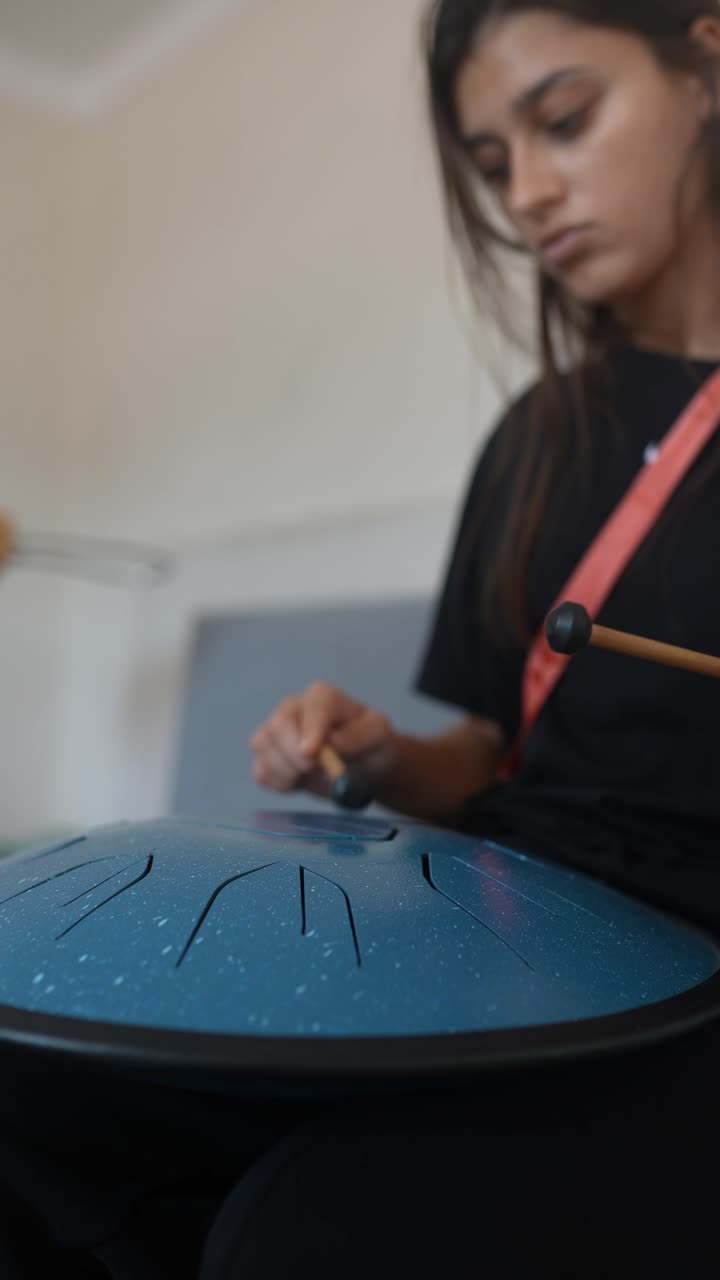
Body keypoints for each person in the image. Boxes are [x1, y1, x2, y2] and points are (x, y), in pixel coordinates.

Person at [3, 2, 720, 1276]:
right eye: (494, 162)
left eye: (564, 120)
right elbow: (493, 751)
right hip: (507, 915)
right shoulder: (539, 435)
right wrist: (382, 758)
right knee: (30, 1105)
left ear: (707, 59)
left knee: (311, 1236)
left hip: (691, 976)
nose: (528, 192)